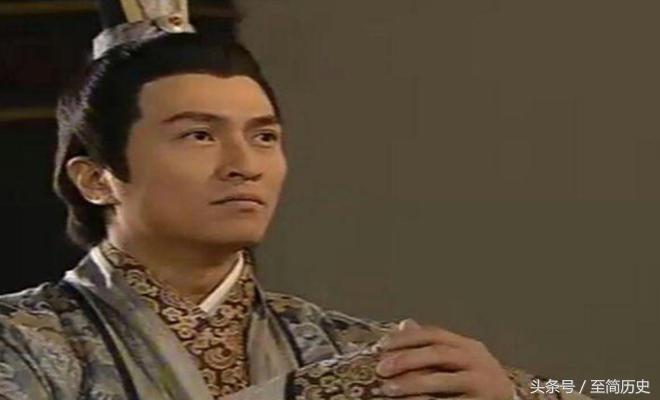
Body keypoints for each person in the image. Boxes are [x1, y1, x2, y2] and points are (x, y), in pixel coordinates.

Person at [0, 1, 592, 399]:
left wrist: (514, 393)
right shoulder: (23, 341)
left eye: (264, 137)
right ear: (96, 179)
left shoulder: (358, 350)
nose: (244, 165)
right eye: (199, 135)